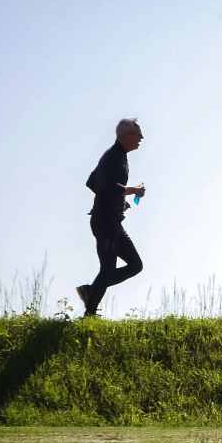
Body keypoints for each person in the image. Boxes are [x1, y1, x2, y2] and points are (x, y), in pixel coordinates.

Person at [78, 118, 147, 317]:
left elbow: (93, 182)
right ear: (126, 136)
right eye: (138, 134)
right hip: (105, 222)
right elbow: (101, 185)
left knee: (134, 265)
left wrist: (117, 202)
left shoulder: (118, 156)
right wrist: (131, 191)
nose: (142, 138)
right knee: (109, 269)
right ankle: (90, 309)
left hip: (111, 220)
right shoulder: (113, 157)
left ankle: (91, 293)